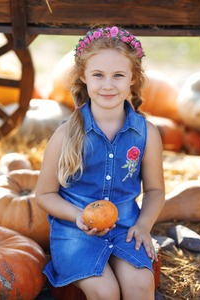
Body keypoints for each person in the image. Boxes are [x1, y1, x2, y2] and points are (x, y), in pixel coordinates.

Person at [35, 26, 166, 300]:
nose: (108, 84)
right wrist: (78, 216)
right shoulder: (66, 134)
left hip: (126, 227)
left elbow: (155, 190)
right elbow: (44, 194)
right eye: (98, 75)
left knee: (141, 285)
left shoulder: (146, 133)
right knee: (104, 291)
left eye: (118, 75)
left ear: (133, 78)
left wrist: (144, 225)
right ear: (83, 76)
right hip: (75, 231)